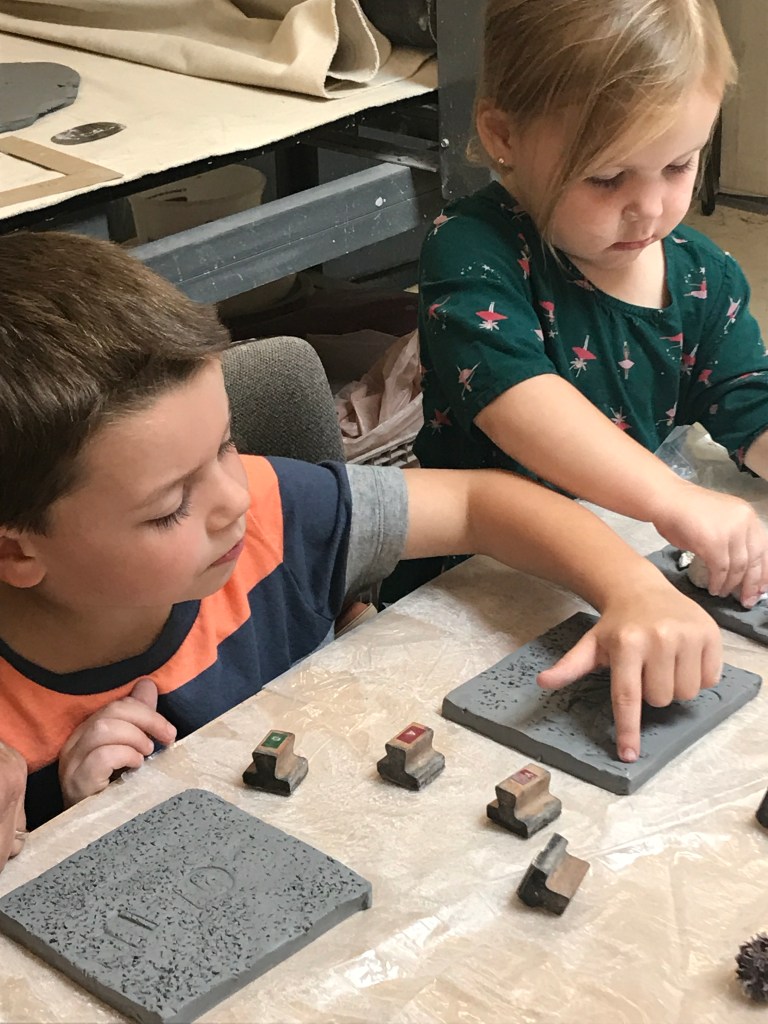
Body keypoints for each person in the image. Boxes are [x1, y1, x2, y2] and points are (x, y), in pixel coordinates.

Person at [0, 231, 721, 871]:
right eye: (170, 507)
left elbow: (481, 504)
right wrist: (73, 820)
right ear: (19, 554)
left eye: (225, 446)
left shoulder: (273, 516)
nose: (232, 500)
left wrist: (635, 588)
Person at [402, 0, 768, 606]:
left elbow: (748, 402)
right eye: (607, 177)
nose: (650, 209)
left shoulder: (706, 276)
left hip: (623, 562)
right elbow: (521, 404)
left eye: (678, 165)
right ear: (504, 136)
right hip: (481, 579)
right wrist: (673, 498)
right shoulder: (472, 250)